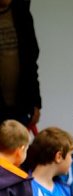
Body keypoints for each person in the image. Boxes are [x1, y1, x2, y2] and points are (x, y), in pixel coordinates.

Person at [0, 0, 40, 131]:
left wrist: (35, 101)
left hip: (20, 106)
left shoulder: (22, 14)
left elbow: (31, 61)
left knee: (17, 149)